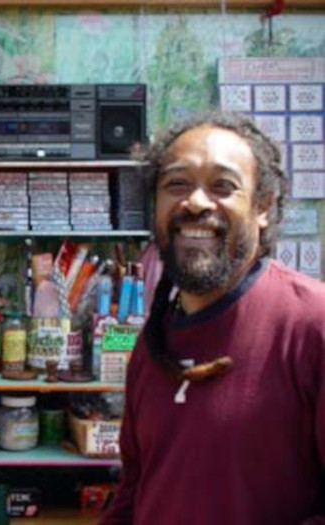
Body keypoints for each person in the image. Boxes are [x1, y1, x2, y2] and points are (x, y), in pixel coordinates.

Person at [102, 111, 325, 525]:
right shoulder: (152, 346)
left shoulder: (312, 325)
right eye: (177, 184)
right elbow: (134, 492)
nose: (196, 202)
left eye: (222, 186)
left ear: (263, 207)